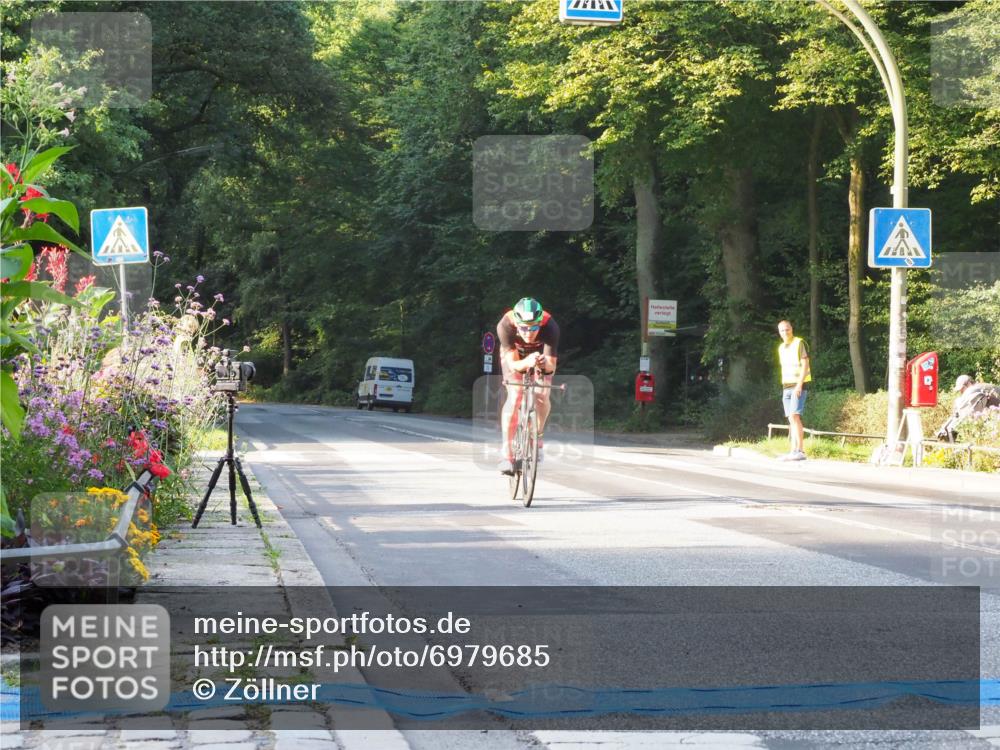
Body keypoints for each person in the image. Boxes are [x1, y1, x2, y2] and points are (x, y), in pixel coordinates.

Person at [496, 298, 559, 475]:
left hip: (540, 355)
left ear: (540, 323)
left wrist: (541, 364)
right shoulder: (505, 325)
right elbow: (513, 365)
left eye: (533, 327)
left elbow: (551, 367)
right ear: (517, 323)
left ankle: (537, 435)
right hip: (517, 356)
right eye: (523, 328)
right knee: (515, 395)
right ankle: (507, 455)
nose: (528, 332)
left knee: (543, 394)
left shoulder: (550, 326)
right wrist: (526, 362)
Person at [777, 320, 811, 461]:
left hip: (798, 385)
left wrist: (799, 384)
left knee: (795, 416)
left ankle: (800, 450)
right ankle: (793, 451)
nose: (785, 332)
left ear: (792, 329)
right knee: (791, 418)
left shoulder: (799, 343)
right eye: (782, 330)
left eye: (787, 329)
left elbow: (805, 365)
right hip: (786, 386)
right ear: (779, 332)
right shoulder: (781, 347)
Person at [935, 375, 1000, 441]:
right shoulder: (979, 388)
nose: (961, 392)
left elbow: (966, 413)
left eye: (962, 389)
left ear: (969, 383)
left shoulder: (974, 390)